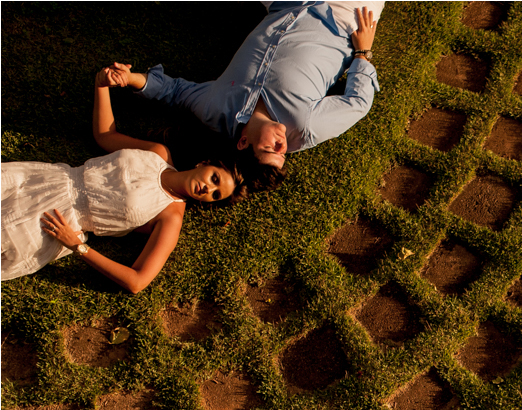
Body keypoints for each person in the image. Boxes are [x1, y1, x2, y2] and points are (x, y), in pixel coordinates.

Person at [1, 68, 247, 293]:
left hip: (57, 222)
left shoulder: (171, 217)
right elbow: (106, 135)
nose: (208, 188)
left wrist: (77, 246)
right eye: (215, 179)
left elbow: (137, 281)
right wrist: (101, 85)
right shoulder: (158, 153)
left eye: (215, 194)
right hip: (45, 181)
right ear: (203, 163)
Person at [102, 2, 384, 176]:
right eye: (282, 154)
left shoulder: (216, 109)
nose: (283, 146)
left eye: (270, 149)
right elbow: (357, 103)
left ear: (242, 143)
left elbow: (174, 92)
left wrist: (132, 79)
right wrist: (363, 53)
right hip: (344, 16)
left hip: (282, 5)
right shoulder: (305, 125)